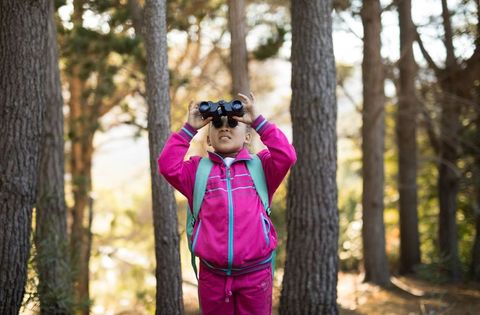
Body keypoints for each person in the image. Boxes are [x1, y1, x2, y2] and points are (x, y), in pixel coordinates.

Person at [158, 92, 296, 315]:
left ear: (248, 137)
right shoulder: (197, 171)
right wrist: (189, 129)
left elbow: (287, 156)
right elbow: (167, 165)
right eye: (218, 124)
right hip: (213, 276)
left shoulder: (261, 168)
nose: (225, 127)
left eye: (233, 122)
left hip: (256, 275)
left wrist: (259, 121)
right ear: (209, 139)